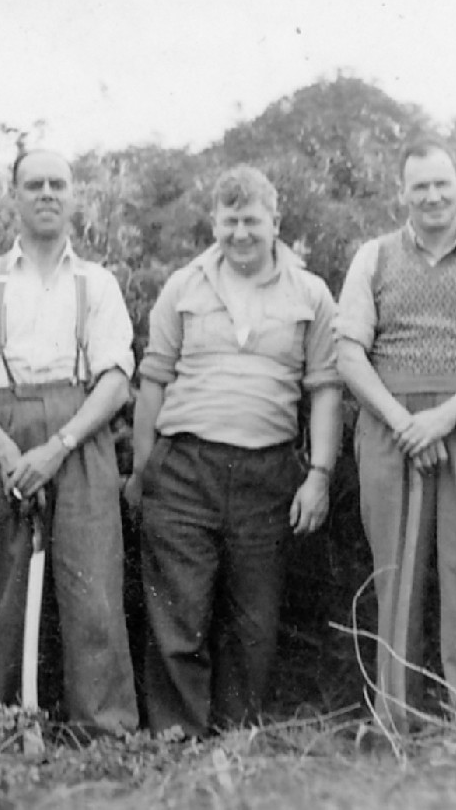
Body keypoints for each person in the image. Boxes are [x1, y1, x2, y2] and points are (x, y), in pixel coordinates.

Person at [126, 165, 342, 738]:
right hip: (183, 467)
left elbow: (324, 388)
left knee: (255, 623)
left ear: (276, 222)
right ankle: (177, 742)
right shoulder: (183, 286)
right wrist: (142, 470)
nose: (241, 233)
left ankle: (235, 741)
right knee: (179, 613)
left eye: (252, 220)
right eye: (230, 220)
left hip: (268, 472)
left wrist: (318, 473)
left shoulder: (311, 293)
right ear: (214, 222)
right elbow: (153, 380)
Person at [0, 148, 138, 735]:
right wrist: (5, 451)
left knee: (93, 586)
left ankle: (105, 733)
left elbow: (117, 380)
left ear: (74, 196)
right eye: (34, 184)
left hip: (80, 433)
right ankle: (14, 724)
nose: (47, 193)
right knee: (9, 589)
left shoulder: (96, 283)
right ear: (15, 196)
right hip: (1, 428)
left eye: (58, 184)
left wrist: (59, 446)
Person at [336, 134, 456, 726]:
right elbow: (348, 354)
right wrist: (403, 423)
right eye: (419, 186)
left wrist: (444, 418)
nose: (432, 196)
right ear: (402, 193)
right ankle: (395, 714)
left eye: (441, 183)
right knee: (395, 570)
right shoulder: (373, 256)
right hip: (390, 423)